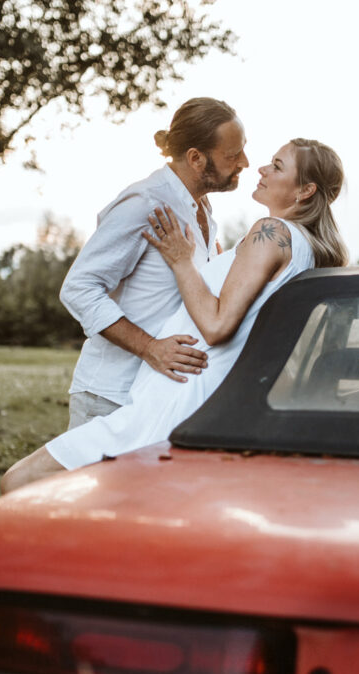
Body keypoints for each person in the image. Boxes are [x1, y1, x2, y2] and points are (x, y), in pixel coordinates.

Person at [1, 138, 348, 493]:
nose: (260, 168)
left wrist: (183, 262)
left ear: (305, 190)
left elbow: (217, 325)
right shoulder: (306, 247)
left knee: (21, 481)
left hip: (175, 399)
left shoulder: (270, 233)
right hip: (192, 398)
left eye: (277, 166)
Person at [60, 97, 249, 431]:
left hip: (157, 399)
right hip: (110, 397)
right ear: (196, 158)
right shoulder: (144, 203)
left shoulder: (201, 210)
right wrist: (149, 348)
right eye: (232, 155)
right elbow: (79, 288)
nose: (245, 162)